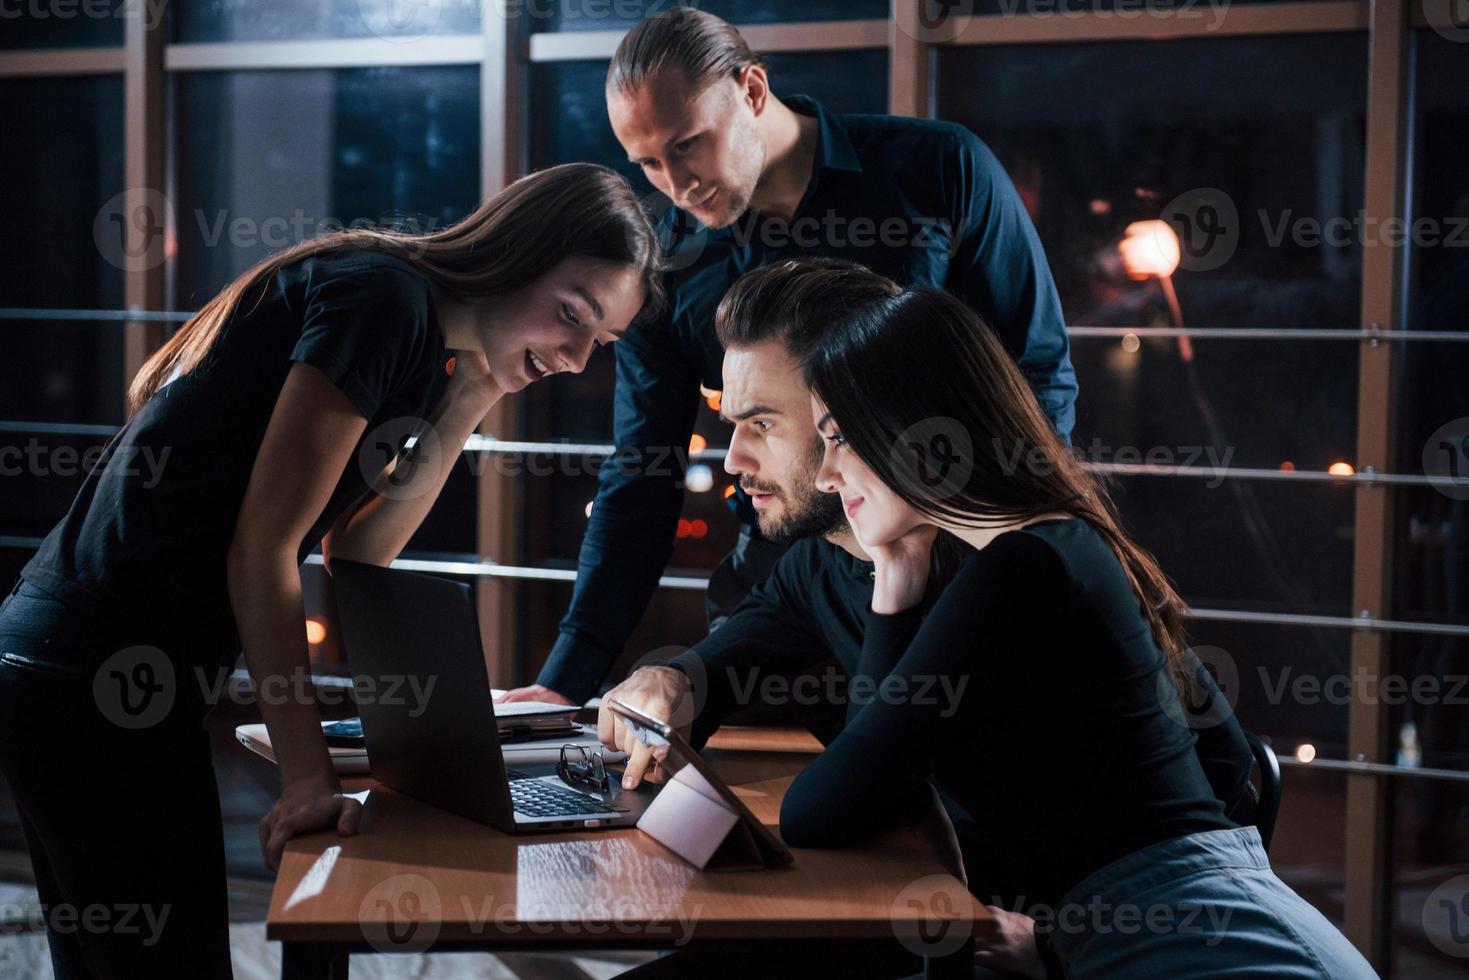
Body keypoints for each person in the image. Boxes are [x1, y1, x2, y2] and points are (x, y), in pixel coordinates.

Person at [0, 162, 662, 979]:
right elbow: (263, 548)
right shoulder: (383, 300)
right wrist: (308, 778)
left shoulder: (425, 344)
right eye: (570, 316)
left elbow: (354, 555)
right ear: (515, 254)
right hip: (84, 667)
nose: (573, 359)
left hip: (77, 666)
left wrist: (474, 394)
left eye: (599, 343)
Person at [598, 259, 1258, 980]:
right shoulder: (825, 565)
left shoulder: (1015, 560)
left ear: (874, 412)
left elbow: (1224, 769)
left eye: (763, 423)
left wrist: (1058, 942)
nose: (733, 459)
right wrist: (668, 677)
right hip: (971, 922)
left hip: (1113, 935)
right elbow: (735, 656)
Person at [770, 281, 1378, 978]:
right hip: (1195, 926)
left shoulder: (1024, 567)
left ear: (914, 426)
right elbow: (1228, 761)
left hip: (1210, 950)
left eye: (839, 438)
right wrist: (896, 568)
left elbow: (825, 811)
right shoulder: (1061, 543)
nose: (823, 476)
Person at [501, 7, 1077, 708]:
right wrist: (566, 679)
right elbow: (641, 472)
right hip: (784, 580)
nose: (676, 184)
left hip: (946, 553)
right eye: (648, 164)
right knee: (709, 789)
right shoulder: (666, 263)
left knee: (931, 794)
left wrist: (1010, 546)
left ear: (750, 89)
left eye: (687, 145)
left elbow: (1036, 372)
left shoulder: (939, 169)